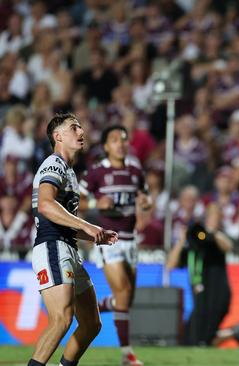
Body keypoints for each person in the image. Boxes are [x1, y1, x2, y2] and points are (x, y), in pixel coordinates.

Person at [29, 113, 118, 366]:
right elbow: (46, 206)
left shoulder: (68, 171)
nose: (81, 131)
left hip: (67, 247)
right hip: (52, 247)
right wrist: (88, 225)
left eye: (80, 127)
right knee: (61, 319)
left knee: (91, 323)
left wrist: (93, 235)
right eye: (73, 127)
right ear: (58, 136)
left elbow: (61, 218)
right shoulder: (54, 165)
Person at [79, 125, 150, 366]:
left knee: (126, 299)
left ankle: (95, 308)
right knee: (122, 293)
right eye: (114, 140)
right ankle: (127, 355)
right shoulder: (96, 172)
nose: (120, 143)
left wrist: (146, 202)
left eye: (123, 139)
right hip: (109, 240)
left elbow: (146, 196)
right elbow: (76, 202)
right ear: (106, 146)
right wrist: (96, 203)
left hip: (131, 241)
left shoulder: (135, 169)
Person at [166, 203, 239, 347]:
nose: (213, 220)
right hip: (200, 301)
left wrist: (211, 233)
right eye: (211, 217)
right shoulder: (192, 246)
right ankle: (235, 332)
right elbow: (170, 265)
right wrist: (182, 241)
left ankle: (236, 332)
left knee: (202, 339)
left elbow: (228, 246)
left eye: (216, 217)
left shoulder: (215, 241)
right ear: (206, 218)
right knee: (190, 341)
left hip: (217, 297)